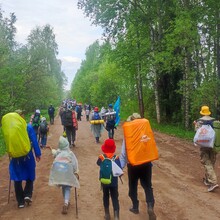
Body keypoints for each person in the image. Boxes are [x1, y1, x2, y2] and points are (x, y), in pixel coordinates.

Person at [120, 113, 157, 220]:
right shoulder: (146, 132)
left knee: (133, 186)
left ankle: (135, 207)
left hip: (133, 165)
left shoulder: (129, 134)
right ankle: (150, 206)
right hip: (146, 164)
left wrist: (120, 167)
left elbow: (124, 153)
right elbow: (150, 148)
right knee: (148, 186)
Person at [6, 110, 41, 208]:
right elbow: (34, 140)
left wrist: (10, 152)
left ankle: (20, 202)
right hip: (27, 155)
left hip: (15, 157)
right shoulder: (27, 126)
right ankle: (27, 194)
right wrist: (38, 154)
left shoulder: (10, 129)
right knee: (30, 175)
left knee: (17, 177)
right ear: (22, 116)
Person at [48, 136, 80, 215]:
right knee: (67, 187)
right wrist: (76, 172)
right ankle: (66, 202)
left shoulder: (59, 152)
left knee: (63, 186)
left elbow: (54, 152)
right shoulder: (70, 153)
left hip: (59, 173)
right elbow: (74, 163)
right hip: (67, 173)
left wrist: (50, 148)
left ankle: (66, 201)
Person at [193, 105, 219, 192]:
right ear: (208, 112)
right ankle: (208, 180)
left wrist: (195, 125)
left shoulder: (200, 121)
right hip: (214, 145)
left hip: (204, 145)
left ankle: (213, 182)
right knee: (211, 162)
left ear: (202, 112)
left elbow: (197, 132)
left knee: (206, 162)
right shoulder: (215, 120)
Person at [97, 139, 121, 220]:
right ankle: (116, 216)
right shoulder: (116, 157)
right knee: (115, 197)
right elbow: (119, 168)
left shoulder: (102, 157)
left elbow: (98, 163)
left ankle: (107, 214)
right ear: (113, 148)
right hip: (114, 182)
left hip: (104, 181)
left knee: (106, 196)